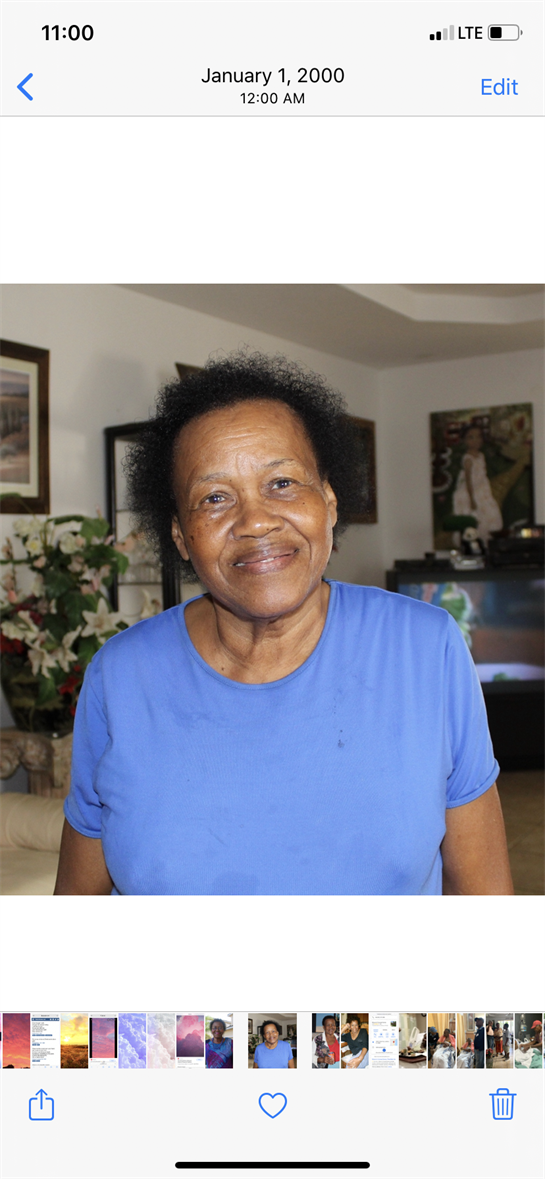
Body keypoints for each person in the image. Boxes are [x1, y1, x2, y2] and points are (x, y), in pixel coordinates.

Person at [55, 352, 513, 896]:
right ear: (179, 536)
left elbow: (485, 899)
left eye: (282, 483)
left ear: (329, 502)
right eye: (215, 497)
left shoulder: (425, 649)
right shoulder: (120, 676)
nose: (255, 521)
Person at [453, 423, 503, 543]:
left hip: (482, 490)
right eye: (471, 437)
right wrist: (472, 499)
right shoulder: (468, 459)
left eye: (479, 436)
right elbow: (468, 480)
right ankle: (474, 541)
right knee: (475, 517)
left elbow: (481, 475)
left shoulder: (480, 455)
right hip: (472, 492)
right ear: (464, 440)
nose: (476, 440)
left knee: (490, 514)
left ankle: (487, 540)